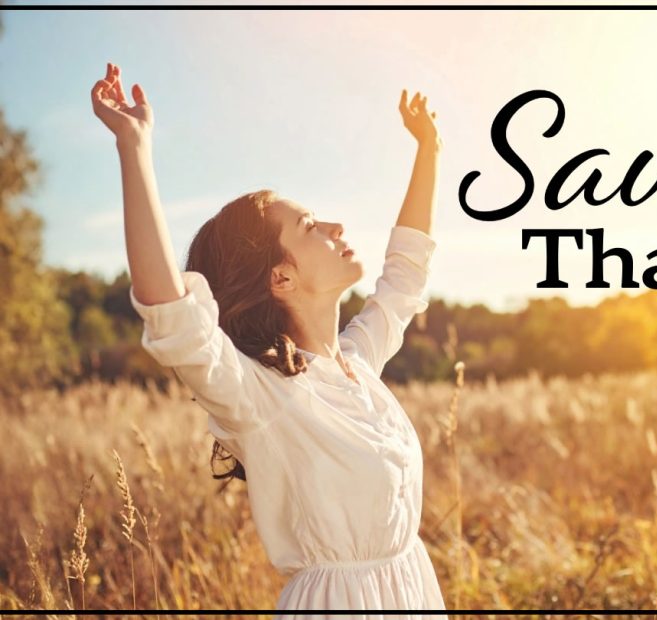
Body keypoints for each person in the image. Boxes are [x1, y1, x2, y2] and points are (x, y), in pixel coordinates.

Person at [91, 62, 447, 617]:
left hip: (410, 592)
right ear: (280, 279)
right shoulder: (262, 396)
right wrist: (133, 147)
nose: (335, 227)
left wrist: (429, 150)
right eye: (308, 227)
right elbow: (175, 318)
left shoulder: (357, 367)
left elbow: (404, 278)